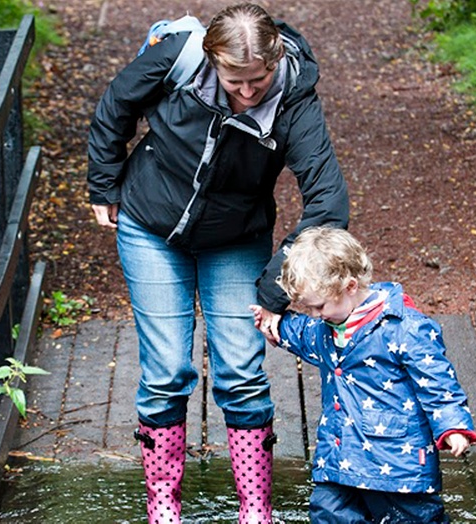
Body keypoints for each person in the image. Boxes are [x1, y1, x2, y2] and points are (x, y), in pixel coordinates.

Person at [87, 3, 349, 522]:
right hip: (149, 226)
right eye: (235, 80)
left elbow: (328, 204)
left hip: (237, 237)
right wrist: (104, 182)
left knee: (242, 373)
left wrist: (275, 290)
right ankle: (163, 504)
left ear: (276, 61)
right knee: (165, 372)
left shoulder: (294, 97)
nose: (248, 92)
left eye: (259, 79)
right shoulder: (178, 58)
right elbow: (116, 102)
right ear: (212, 60)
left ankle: (256, 508)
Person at [251, 227, 476, 524]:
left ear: (350, 286)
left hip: (398, 463)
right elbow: (302, 332)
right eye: (309, 307)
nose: (316, 314)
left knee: (412, 519)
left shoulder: (404, 327)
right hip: (338, 457)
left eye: (319, 306)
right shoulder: (325, 327)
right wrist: (275, 325)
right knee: (328, 513)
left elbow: (436, 380)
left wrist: (452, 425)